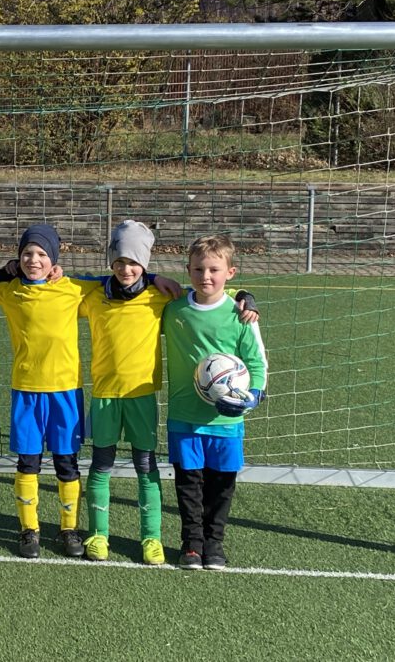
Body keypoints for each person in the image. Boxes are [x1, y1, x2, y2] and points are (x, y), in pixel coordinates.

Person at [79, 220, 257, 565]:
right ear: (110, 262)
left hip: (143, 396)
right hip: (104, 396)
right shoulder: (96, 296)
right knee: (100, 464)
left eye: (135, 263)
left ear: (144, 263)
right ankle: (98, 534)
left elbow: (209, 294)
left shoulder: (161, 298)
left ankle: (152, 537)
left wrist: (244, 296)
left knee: (146, 467)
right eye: (119, 262)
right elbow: (66, 286)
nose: (126, 269)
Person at [0, 224, 100, 559]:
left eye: (41, 254)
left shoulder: (73, 288)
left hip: (66, 392)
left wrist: (154, 278)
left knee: (67, 463)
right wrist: (5, 270)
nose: (33, 260)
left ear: (54, 260)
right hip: (27, 391)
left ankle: (69, 529)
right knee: (28, 462)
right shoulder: (9, 290)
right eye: (27, 253)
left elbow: (114, 283)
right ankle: (29, 529)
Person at [162, 233, 267, 571]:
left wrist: (252, 397)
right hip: (184, 416)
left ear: (230, 273)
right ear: (187, 270)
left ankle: (214, 543)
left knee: (221, 486)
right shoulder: (173, 309)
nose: (205, 276)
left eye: (214, 270)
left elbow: (257, 363)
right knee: (188, 485)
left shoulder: (241, 315)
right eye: (198, 269)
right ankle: (192, 545)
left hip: (226, 420)